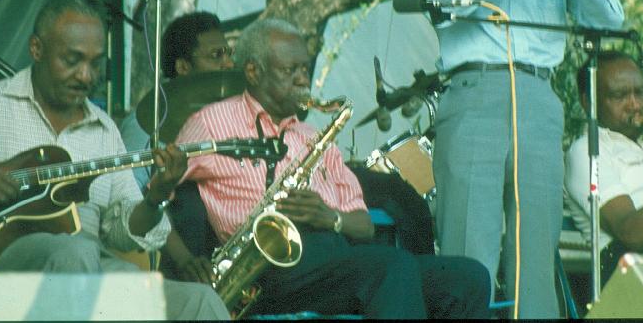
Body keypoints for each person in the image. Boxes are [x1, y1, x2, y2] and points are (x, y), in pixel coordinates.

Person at [417, 0, 624, 317]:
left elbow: (612, 23)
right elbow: (442, 6)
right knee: (470, 243)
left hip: (538, 98)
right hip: (473, 93)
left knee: (536, 244)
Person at [0, 0, 230, 320]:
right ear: (36, 49)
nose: (86, 76)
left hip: (93, 268)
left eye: (95, 63)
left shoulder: (105, 132)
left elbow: (120, 230)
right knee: (76, 251)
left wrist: (156, 197)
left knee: (199, 302)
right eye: (72, 60)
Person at [175, 18, 490, 318]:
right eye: (290, 70)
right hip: (264, 273)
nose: (302, 79)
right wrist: (186, 261)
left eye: (305, 69)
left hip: (335, 261)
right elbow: (154, 198)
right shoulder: (210, 123)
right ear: (254, 72)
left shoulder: (313, 137)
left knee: (468, 279)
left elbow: (364, 226)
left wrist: (330, 217)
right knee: (390, 268)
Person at [564, 52, 643, 283]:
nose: (635, 104)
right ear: (589, 102)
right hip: (632, 272)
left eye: (639, 92)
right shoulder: (588, 149)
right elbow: (632, 233)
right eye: (619, 95)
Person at [120, 11, 233, 188]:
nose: (229, 64)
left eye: (229, 54)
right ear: (183, 67)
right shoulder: (143, 125)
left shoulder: (227, 119)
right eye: (216, 55)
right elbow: (127, 197)